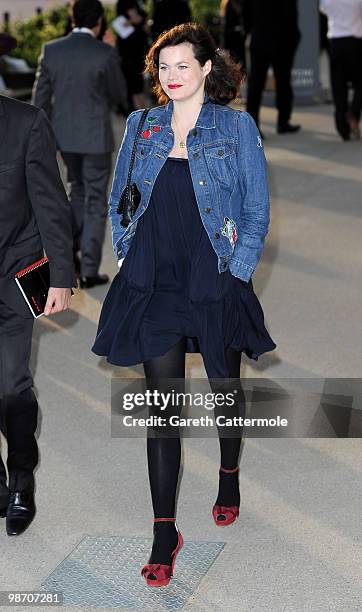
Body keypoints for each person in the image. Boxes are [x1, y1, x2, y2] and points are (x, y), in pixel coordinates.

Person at [92, 22, 276, 586]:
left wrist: (236, 271)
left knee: (225, 385)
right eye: (163, 67)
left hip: (210, 273)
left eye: (182, 66)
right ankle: (164, 531)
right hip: (154, 280)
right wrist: (127, 253)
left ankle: (228, 474)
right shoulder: (143, 126)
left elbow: (255, 209)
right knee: (163, 409)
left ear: (205, 68)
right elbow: (120, 199)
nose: (171, 76)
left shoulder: (235, 126)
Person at [0, 94, 76, 536]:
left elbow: (51, 202)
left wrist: (61, 276)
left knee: (11, 383)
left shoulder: (26, 122)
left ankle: (22, 476)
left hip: (13, 270)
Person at [32, 0, 127, 289]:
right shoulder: (104, 52)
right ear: (99, 21)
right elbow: (119, 92)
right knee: (96, 201)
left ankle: (69, 250)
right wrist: (113, 56)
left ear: (72, 19)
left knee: (77, 192)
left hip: (63, 138)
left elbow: (40, 101)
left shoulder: (51, 50)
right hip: (96, 139)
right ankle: (88, 270)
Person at [244, 0, 301, 135]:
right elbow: (292, 13)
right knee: (282, 81)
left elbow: (246, 11)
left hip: (262, 38)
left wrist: (249, 30)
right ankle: (283, 122)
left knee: (257, 83)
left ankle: (254, 124)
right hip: (283, 39)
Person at [320, 0, 362, 140]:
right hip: (356, 41)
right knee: (359, 82)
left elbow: (323, 9)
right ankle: (354, 113)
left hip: (335, 42)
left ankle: (342, 127)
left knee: (338, 85)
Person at [114, 0, 149, 111]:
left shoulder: (124, 3)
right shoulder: (128, 3)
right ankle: (142, 114)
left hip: (131, 49)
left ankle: (140, 114)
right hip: (133, 48)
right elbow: (136, 19)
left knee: (135, 85)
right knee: (136, 86)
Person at [220, 0, 246, 68]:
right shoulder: (228, 4)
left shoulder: (242, 3)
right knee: (234, 59)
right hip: (232, 37)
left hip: (240, 37)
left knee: (242, 59)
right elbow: (226, 24)